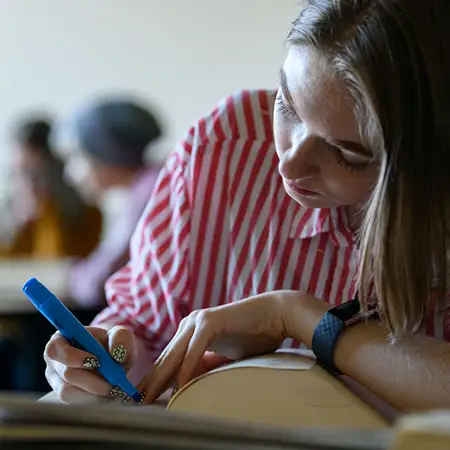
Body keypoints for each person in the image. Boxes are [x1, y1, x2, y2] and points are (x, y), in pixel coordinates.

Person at [44, 0, 450, 413]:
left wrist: (299, 317)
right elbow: (139, 328)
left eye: (347, 153)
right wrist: (103, 356)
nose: (289, 162)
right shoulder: (223, 148)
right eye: (288, 105)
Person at [64, 98, 163, 306]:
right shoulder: (150, 183)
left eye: (76, 156)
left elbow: (96, 284)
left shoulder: (148, 193)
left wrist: (69, 276)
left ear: (104, 153)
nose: (70, 174)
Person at [0, 118, 102, 259]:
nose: (30, 184)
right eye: (22, 173)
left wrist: (46, 209)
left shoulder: (87, 214)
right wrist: (16, 223)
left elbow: (58, 262)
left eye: (37, 174)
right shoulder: (12, 211)